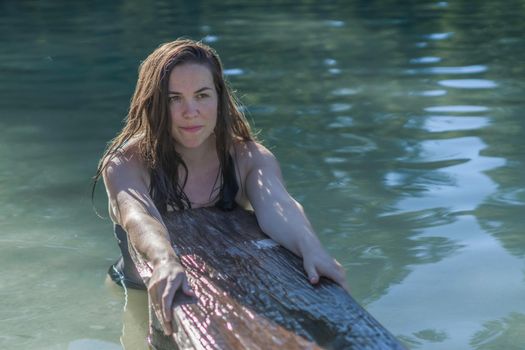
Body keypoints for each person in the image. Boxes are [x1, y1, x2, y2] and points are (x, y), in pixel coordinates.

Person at [93, 38, 348, 336]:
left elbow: (280, 204)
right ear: (154, 103)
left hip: (220, 295)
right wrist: (164, 259)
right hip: (135, 290)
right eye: (174, 98)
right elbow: (139, 217)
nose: (191, 111)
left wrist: (312, 249)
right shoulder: (126, 163)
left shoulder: (247, 158)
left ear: (220, 98)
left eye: (202, 95)